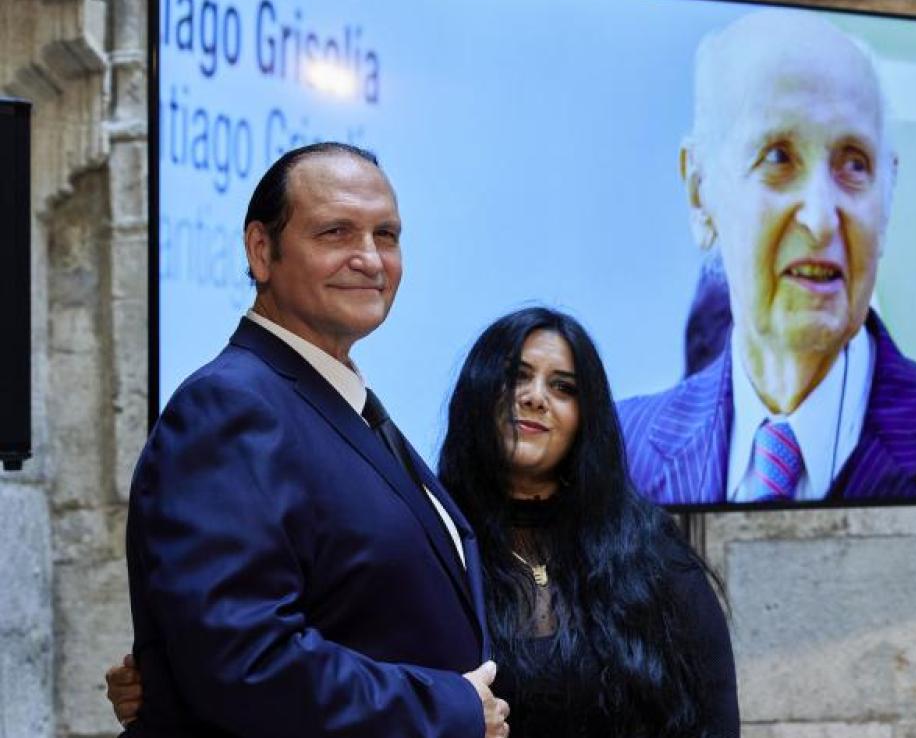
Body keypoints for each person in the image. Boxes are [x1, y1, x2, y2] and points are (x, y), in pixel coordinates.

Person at [110, 307, 740, 737]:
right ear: (477, 394)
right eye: (516, 377)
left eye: (563, 386)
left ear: (589, 417)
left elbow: (712, 716)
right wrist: (172, 682)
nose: (535, 397)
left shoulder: (649, 553)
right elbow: (312, 665)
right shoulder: (429, 536)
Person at [118, 142, 508, 736]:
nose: (371, 259)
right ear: (261, 249)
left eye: (387, 235)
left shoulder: (338, 400)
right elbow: (246, 662)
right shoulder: (228, 407)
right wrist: (449, 709)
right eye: (335, 233)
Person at [618, 9, 916, 506]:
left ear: (889, 193)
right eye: (778, 156)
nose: (821, 218)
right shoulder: (620, 459)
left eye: (854, 163)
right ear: (700, 191)